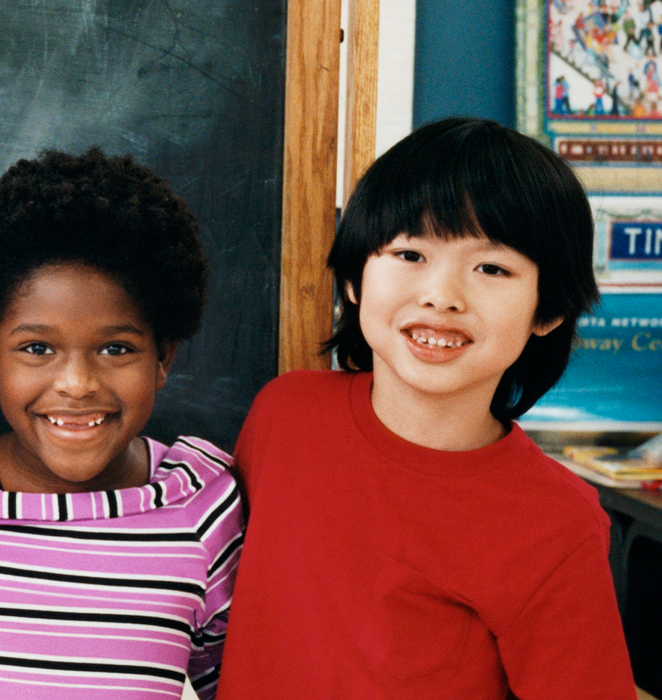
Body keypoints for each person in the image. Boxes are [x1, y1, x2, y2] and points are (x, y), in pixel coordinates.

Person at [217, 117, 634, 698]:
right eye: (410, 253)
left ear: (548, 311)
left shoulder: (557, 524)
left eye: (492, 268)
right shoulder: (285, 415)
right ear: (356, 278)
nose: (441, 295)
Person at [0, 148, 241, 699]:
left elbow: (236, 682)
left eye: (115, 347)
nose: (77, 383)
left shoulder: (201, 504)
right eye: (37, 348)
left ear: (163, 359)